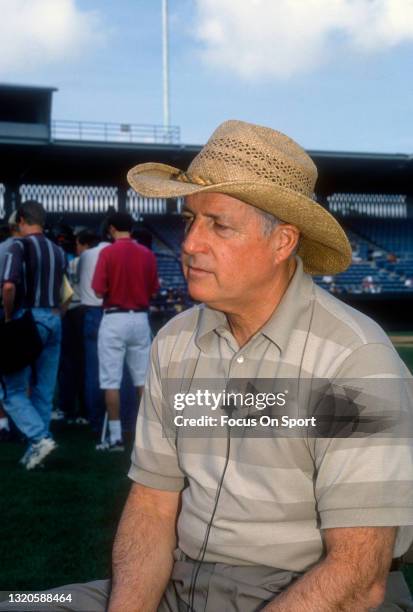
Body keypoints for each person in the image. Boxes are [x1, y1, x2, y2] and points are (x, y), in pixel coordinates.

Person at [2, 121, 412, 611]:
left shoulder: (354, 360)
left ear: (282, 242)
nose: (190, 243)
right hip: (179, 586)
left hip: (309, 595)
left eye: (218, 224)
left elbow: (356, 576)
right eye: (191, 219)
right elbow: (152, 507)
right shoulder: (174, 342)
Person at [0, 200, 67, 469]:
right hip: (53, 318)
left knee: (11, 389)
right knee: (44, 388)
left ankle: (39, 438)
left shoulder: (19, 245)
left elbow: (8, 286)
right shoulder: (58, 250)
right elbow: (65, 292)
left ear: (22, 220)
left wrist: (7, 318)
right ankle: (39, 447)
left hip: (27, 319)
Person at [92, 212, 159, 450]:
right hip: (140, 318)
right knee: (142, 379)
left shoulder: (107, 252)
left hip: (114, 317)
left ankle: (115, 436)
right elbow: (153, 290)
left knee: (111, 381)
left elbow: (99, 291)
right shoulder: (147, 253)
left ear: (111, 228)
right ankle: (147, 436)